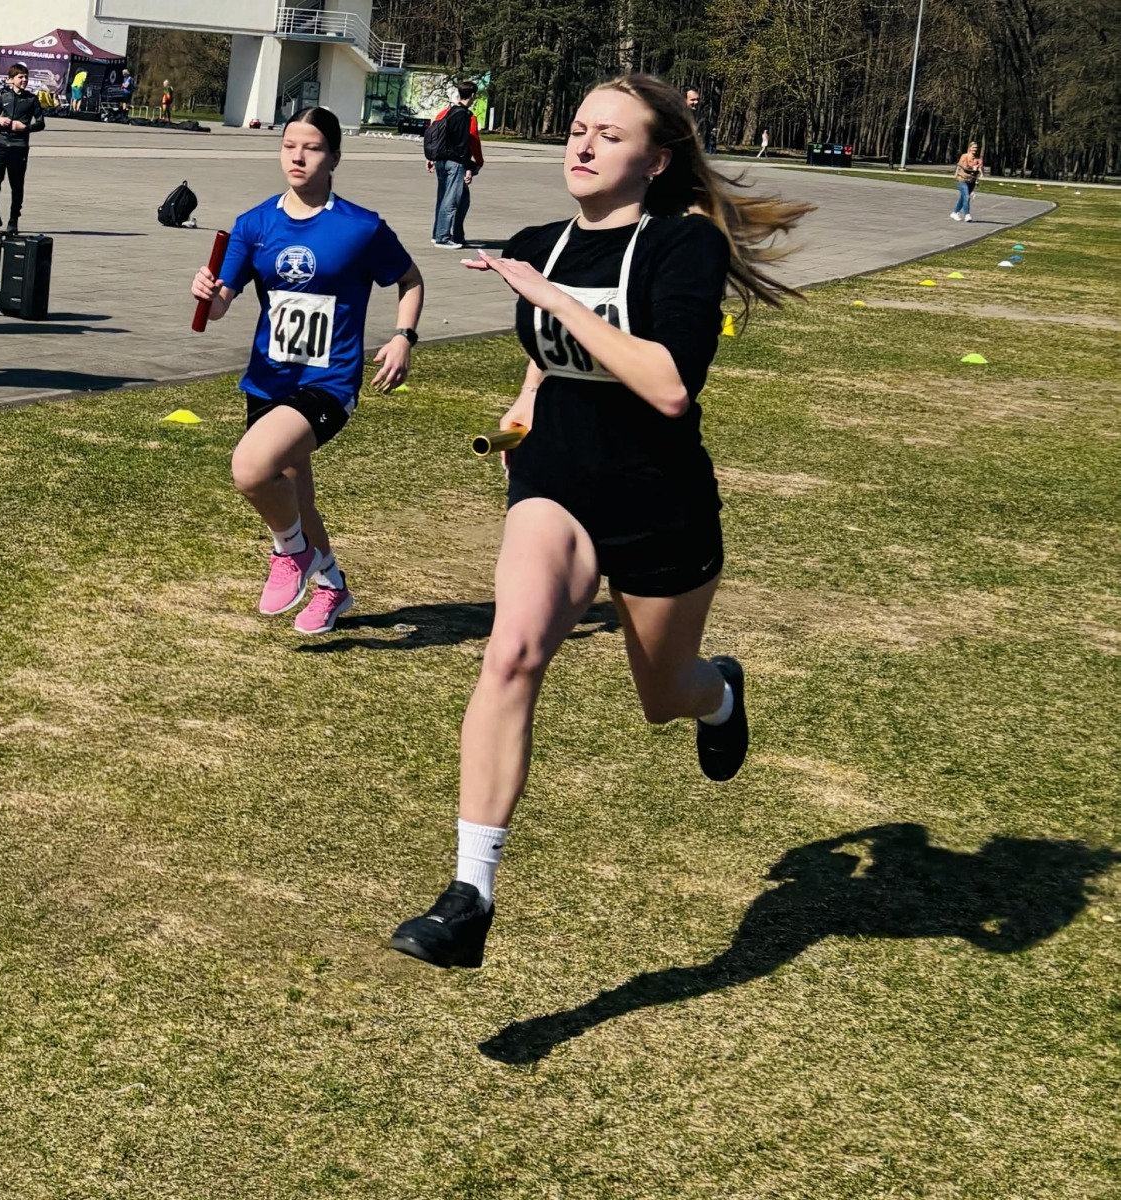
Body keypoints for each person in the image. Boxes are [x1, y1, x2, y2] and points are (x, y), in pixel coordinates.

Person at [390, 74, 811, 970]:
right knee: (511, 652)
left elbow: (669, 385)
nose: (582, 145)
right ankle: (468, 895)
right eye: (578, 128)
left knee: (664, 697)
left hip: (659, 503)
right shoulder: (539, 243)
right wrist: (522, 405)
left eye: (609, 136)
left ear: (655, 161)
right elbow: (550, 359)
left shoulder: (682, 245)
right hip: (555, 485)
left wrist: (556, 300)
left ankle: (719, 695)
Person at [189, 107, 425, 633]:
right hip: (268, 381)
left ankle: (291, 552)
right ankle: (332, 586)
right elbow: (222, 302)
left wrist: (403, 337)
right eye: (289, 145)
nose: (297, 156)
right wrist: (207, 292)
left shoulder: (361, 228)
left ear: (335, 157)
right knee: (297, 497)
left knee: (251, 468)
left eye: (312, 147)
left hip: (327, 383)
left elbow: (410, 280)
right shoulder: (255, 225)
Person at [0, 64, 45, 236]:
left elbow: (41, 123)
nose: (24, 80)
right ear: (11, 80)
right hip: (1, 146)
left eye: (26, 77)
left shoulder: (31, 99)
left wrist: (25, 127)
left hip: (19, 147)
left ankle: (13, 219)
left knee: (16, 185)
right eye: (20, 77)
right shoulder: (3, 97)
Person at [426, 81, 484, 249]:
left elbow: (436, 134)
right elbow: (469, 142)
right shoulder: (467, 116)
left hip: (441, 160)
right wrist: (473, 165)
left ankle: (449, 234)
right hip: (456, 162)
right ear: (473, 95)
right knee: (451, 200)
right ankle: (443, 237)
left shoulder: (446, 112)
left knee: (452, 198)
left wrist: (431, 156)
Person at [952, 141, 982, 222]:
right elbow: (963, 166)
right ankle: (967, 215)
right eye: (973, 147)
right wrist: (973, 168)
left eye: (976, 148)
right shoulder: (964, 156)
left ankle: (955, 213)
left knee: (963, 198)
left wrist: (979, 172)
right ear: (970, 148)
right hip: (962, 180)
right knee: (966, 196)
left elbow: (980, 168)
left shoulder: (978, 158)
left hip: (971, 181)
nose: (975, 149)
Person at [684, 86, 715, 155]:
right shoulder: (675, 116)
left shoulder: (701, 117)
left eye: (697, 99)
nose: (696, 102)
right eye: (692, 100)